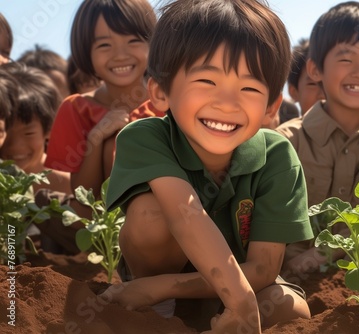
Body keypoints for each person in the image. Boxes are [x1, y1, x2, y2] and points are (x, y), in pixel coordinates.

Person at [102, 1, 313, 332]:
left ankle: (187, 306)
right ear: (160, 91)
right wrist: (157, 287)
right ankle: (160, 311)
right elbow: (185, 216)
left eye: (248, 88)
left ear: (271, 106)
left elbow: (264, 267)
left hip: (239, 283)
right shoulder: (145, 137)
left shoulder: (278, 156)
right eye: (206, 81)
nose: (226, 104)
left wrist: (233, 300)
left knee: (291, 310)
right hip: (155, 283)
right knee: (149, 214)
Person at [275, 1, 359, 276]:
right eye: (345, 59)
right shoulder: (285, 141)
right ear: (315, 69)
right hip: (281, 276)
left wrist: (316, 256)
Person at [44, 0, 158, 219]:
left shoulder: (169, 102)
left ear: (153, 44)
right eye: (105, 45)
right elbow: (84, 196)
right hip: (102, 227)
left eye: (133, 41)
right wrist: (96, 137)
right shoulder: (75, 109)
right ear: (86, 51)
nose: (120, 55)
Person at [0, 62, 71, 194]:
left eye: (28, 133)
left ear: (50, 128)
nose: (15, 145)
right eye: (5, 132)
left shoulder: (69, 185)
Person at [287, 38, 325, 115]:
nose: (323, 95)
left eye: (330, 84)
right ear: (294, 92)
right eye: (312, 84)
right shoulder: (288, 127)